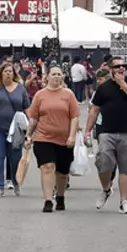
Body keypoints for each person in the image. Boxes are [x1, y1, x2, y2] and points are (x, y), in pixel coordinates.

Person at [85, 57, 127, 214]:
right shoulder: (103, 88)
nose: (121, 68)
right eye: (117, 66)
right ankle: (106, 189)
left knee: (126, 168)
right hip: (106, 131)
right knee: (103, 162)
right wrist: (87, 131)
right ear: (110, 69)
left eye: (123, 66)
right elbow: (94, 110)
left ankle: (124, 202)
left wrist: (122, 83)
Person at [25, 66, 79, 212]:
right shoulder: (40, 95)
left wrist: (72, 136)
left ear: (63, 77)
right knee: (47, 167)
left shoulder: (68, 95)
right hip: (43, 137)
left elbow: (74, 116)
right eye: (53, 74)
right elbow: (34, 118)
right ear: (47, 77)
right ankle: (48, 200)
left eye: (59, 74)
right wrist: (29, 136)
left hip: (64, 139)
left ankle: (60, 196)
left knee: (62, 173)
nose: (56, 77)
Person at [0, 62, 30, 198]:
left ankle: (16, 182)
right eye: (5, 71)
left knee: (15, 158)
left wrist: (31, 127)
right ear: (1, 73)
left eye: (10, 71)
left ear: (14, 74)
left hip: (15, 130)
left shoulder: (20, 88)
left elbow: (27, 108)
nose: (8, 73)